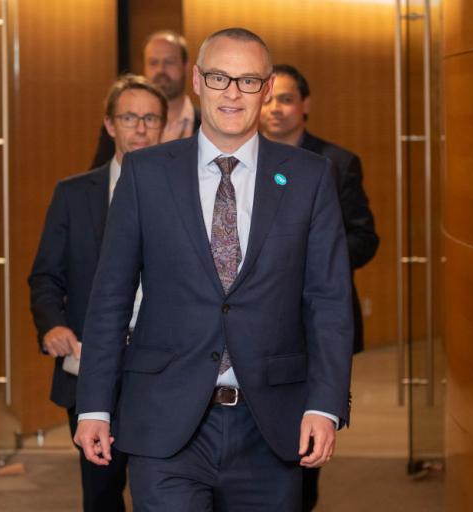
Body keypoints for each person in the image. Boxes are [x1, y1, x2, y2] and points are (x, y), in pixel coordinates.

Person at [74, 28, 354, 512]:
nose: (232, 92)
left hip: (269, 425)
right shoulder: (146, 173)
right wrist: (94, 405)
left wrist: (324, 404)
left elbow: (328, 300)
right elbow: (110, 298)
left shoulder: (309, 177)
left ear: (266, 90)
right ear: (197, 83)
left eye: (248, 81)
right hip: (164, 421)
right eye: (220, 77)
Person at [28, 74, 168, 512]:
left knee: (164, 486)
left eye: (150, 118)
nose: (141, 128)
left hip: (164, 369)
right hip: (94, 367)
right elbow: (46, 275)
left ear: (164, 126)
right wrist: (53, 323)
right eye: (130, 117)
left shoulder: (187, 195)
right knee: (102, 493)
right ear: (110, 125)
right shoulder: (73, 194)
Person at [260, 64, 379, 511]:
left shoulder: (337, 163)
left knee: (306, 428)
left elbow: (365, 238)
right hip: (259, 322)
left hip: (313, 321)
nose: (275, 108)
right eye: (269, 98)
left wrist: (311, 260)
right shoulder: (242, 162)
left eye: (286, 99)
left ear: (305, 106)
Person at [90, 30, 200, 168]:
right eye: (153, 62)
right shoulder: (120, 123)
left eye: (169, 62)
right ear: (144, 67)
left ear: (186, 66)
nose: (161, 70)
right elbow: (99, 180)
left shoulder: (208, 125)